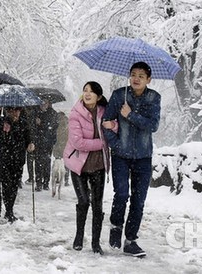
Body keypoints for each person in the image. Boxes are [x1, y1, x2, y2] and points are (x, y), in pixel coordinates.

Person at [101, 61, 161, 258]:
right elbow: (105, 123)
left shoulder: (154, 98)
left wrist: (130, 115)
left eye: (141, 76)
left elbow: (153, 126)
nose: (136, 78)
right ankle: (116, 226)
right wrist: (115, 145)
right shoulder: (119, 95)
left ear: (148, 80)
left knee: (139, 200)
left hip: (143, 157)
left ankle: (131, 240)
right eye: (133, 74)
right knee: (122, 194)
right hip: (121, 155)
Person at [64, 81, 109, 254]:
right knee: (83, 201)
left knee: (97, 205)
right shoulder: (75, 113)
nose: (87, 94)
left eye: (91, 91)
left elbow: (114, 130)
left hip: (98, 164)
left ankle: (96, 243)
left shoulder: (105, 112)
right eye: (85, 91)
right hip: (78, 165)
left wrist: (112, 126)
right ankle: (79, 236)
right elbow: (78, 142)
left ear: (98, 96)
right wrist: (102, 143)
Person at [0, 106, 34, 222]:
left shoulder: (24, 123)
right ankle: (8, 211)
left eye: (17, 111)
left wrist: (30, 145)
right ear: (8, 111)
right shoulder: (3, 123)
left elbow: (28, 139)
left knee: (14, 186)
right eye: (11, 111)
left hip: (19, 159)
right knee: (6, 186)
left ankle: (10, 209)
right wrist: (5, 133)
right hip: (5, 159)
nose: (14, 113)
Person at [31, 99, 58, 191]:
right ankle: (38, 182)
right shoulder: (35, 113)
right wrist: (35, 123)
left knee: (46, 162)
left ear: (48, 103)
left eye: (45, 102)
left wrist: (41, 123)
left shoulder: (53, 113)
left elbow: (53, 127)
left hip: (48, 142)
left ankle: (46, 182)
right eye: (41, 103)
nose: (43, 105)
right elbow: (31, 127)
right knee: (38, 162)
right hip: (38, 142)